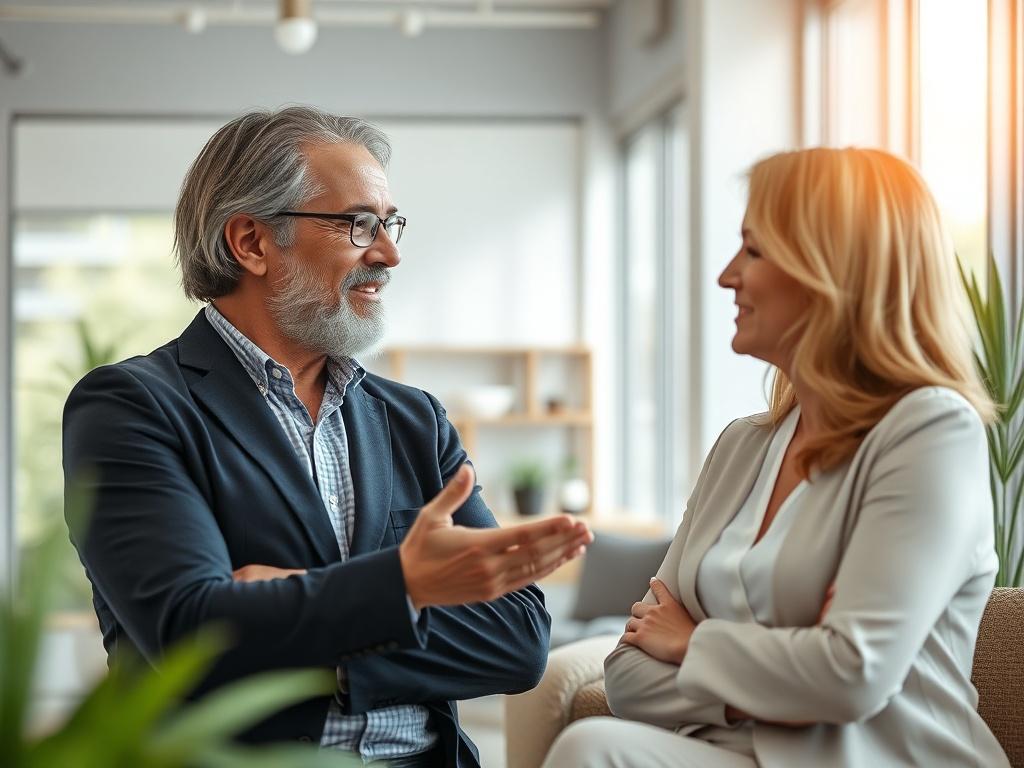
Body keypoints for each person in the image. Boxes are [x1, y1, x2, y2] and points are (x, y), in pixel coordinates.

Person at [62, 106, 592, 768]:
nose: (390, 253)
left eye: (390, 223)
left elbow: (516, 639)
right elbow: (192, 637)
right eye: (359, 224)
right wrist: (403, 587)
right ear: (252, 242)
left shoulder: (415, 420)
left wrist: (294, 602)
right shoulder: (131, 407)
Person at [543, 147, 1011, 767]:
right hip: (741, 755)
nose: (726, 276)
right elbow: (628, 674)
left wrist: (693, 643)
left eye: (753, 250)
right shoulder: (740, 447)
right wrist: (785, 678)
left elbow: (850, 676)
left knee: (593, 751)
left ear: (831, 270)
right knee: (593, 746)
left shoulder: (929, 431)